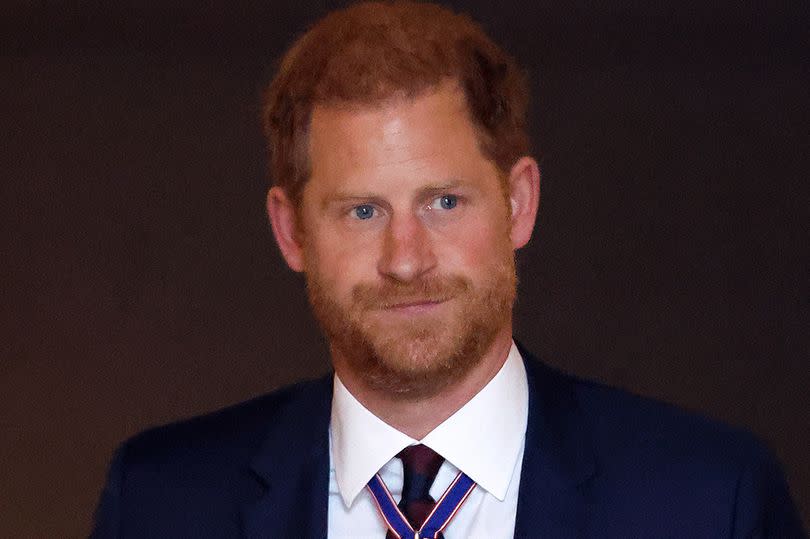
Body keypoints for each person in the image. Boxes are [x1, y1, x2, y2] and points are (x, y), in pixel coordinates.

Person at [91, 2, 806, 537]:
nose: (407, 259)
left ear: (518, 203)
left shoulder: (711, 500)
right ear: (291, 230)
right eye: (362, 211)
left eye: (443, 200)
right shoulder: (160, 502)